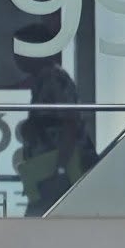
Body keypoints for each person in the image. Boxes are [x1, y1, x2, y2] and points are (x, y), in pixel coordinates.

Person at [13, 46, 97, 216]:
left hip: (56, 168)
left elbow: (69, 123)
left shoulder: (53, 79)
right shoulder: (42, 80)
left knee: (38, 219)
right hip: (49, 167)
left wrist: (60, 167)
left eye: (19, 51)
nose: (16, 58)